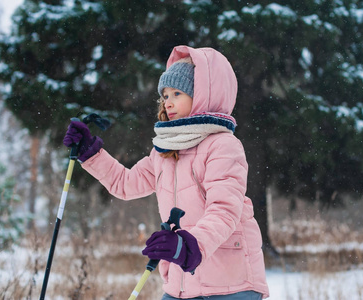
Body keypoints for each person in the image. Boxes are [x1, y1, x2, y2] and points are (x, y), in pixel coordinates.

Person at [63, 45, 270, 300]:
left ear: (204, 95)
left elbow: (224, 210)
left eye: (177, 93)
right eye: (165, 95)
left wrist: (188, 246)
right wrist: (89, 153)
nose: (168, 102)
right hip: (181, 280)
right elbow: (126, 184)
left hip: (229, 282)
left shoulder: (223, 145)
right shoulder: (164, 150)